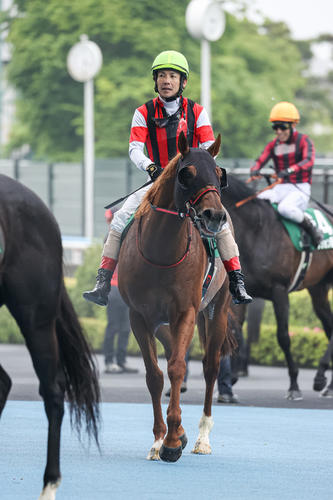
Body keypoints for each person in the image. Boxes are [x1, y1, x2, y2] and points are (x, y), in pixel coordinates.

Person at [83, 50, 252, 307]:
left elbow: (209, 147)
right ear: (156, 80)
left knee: (223, 222)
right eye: (162, 75)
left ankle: (237, 281)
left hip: (190, 185)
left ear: (182, 82)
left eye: (172, 76)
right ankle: (103, 281)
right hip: (159, 182)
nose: (166, 80)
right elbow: (134, 149)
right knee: (119, 219)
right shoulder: (143, 112)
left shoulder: (197, 111)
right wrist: (151, 168)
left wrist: (199, 173)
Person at [250, 101, 323, 247]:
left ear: (293, 125)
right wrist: (255, 170)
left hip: (300, 188)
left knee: (285, 209)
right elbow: (261, 159)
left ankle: (311, 228)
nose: (278, 131)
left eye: (282, 127)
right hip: (280, 187)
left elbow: (308, 160)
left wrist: (290, 170)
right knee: (256, 200)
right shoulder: (273, 144)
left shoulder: (304, 141)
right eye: (275, 127)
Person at [103, 209, 138, 374]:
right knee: (113, 326)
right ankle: (109, 362)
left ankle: (121, 361)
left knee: (125, 327)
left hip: (126, 289)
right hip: (113, 288)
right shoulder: (112, 237)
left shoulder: (128, 237)